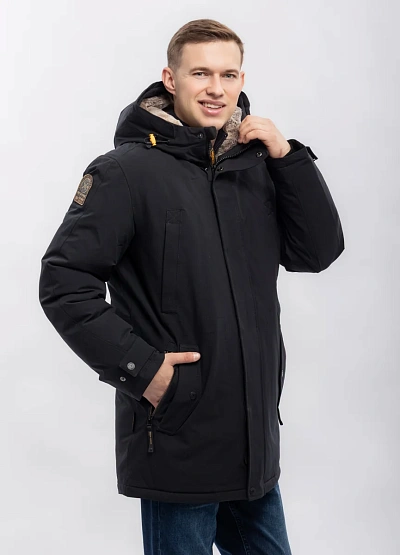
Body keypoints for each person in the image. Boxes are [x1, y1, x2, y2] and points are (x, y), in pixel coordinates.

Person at [39, 18, 344, 555]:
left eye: (228, 75)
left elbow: (317, 253)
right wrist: (144, 371)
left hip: (252, 441)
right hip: (178, 435)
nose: (216, 88)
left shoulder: (255, 166)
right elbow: (64, 282)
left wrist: (288, 158)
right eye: (200, 73)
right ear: (170, 79)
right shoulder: (124, 173)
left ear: (242, 79)